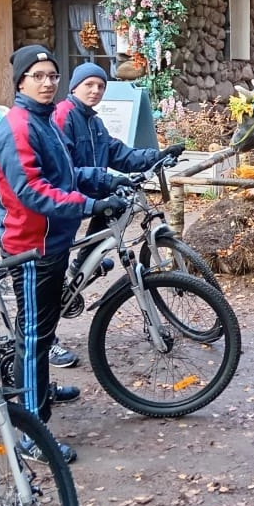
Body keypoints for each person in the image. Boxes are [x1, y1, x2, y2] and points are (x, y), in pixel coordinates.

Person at [0, 45, 124, 463]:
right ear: (21, 82)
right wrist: (88, 204)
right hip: (33, 247)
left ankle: (40, 391)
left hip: (54, 241)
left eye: (52, 75)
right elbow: (31, 191)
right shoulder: (18, 127)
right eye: (38, 76)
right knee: (33, 337)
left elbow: (67, 174)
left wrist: (106, 180)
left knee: (43, 331)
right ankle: (31, 433)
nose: (47, 83)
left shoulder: (44, 120)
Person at [47, 61, 184, 368]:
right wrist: (107, 179)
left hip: (89, 195)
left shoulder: (94, 122)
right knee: (51, 273)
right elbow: (65, 169)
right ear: (74, 87)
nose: (95, 90)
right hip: (65, 200)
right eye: (89, 85)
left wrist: (157, 155)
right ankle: (48, 340)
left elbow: (119, 153)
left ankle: (82, 265)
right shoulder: (63, 115)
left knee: (114, 213)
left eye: (100, 86)